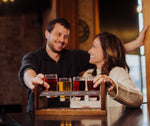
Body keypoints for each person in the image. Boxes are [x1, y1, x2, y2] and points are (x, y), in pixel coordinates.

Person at [18, 18, 148, 112]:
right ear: (47, 34)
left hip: (67, 118)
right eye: (58, 34)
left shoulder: (74, 57)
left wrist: (137, 43)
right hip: (38, 115)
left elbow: (108, 52)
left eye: (66, 36)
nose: (62, 40)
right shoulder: (33, 57)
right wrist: (32, 81)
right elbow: (27, 71)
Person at [82, 32, 143, 107]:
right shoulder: (88, 74)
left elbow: (137, 100)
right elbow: (75, 102)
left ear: (107, 51)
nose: (89, 51)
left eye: (94, 46)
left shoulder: (117, 72)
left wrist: (114, 88)